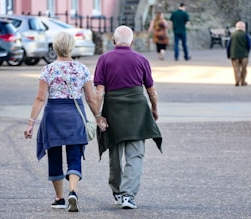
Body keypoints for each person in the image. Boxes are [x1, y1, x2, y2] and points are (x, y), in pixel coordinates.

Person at [24, 31, 104, 212]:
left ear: (55, 47)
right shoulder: (82, 69)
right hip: (74, 116)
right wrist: (98, 117)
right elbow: (91, 99)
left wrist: (31, 123)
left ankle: (59, 198)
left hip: (53, 117)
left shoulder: (48, 69)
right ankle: (73, 191)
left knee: (54, 156)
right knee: (74, 156)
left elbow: (40, 98)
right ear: (72, 47)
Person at [93, 25, 162, 209]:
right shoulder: (141, 59)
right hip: (137, 110)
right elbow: (151, 91)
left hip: (113, 110)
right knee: (136, 154)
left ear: (113, 41)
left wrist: (98, 115)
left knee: (115, 154)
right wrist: (154, 109)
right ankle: (128, 196)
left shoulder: (104, 59)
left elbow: (99, 91)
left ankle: (117, 192)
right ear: (132, 42)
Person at [226, 21, 251, 86]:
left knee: (236, 68)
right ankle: (243, 81)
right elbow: (249, 45)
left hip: (234, 55)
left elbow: (228, 45)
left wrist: (228, 54)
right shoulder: (245, 34)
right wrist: (247, 52)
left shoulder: (232, 35)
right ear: (243, 27)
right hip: (244, 55)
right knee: (244, 68)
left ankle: (237, 81)